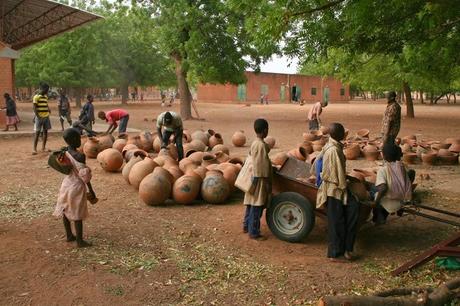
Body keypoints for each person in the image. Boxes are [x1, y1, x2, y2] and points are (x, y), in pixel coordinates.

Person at [313, 123, 359, 261]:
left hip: (335, 187)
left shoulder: (332, 145)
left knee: (345, 216)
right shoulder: (333, 150)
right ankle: (336, 254)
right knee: (336, 222)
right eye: (343, 133)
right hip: (334, 190)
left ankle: (346, 249)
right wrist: (346, 186)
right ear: (339, 135)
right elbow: (336, 176)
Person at [53, 128, 97, 247]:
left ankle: (69, 235)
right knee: (78, 213)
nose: (80, 140)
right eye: (78, 138)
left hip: (66, 184)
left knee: (65, 210)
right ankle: (80, 241)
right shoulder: (80, 155)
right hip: (76, 186)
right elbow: (85, 176)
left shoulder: (64, 152)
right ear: (72, 140)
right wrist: (91, 191)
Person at [243, 118, 272, 240]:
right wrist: (267, 181)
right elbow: (261, 166)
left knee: (251, 203)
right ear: (265, 131)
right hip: (259, 179)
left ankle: (246, 226)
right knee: (257, 205)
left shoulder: (256, 143)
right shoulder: (260, 145)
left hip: (252, 177)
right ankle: (253, 232)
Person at [372, 142, 415, 225]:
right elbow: (411, 173)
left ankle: (379, 216)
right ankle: (395, 211)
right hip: (402, 200)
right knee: (382, 190)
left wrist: (375, 202)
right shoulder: (403, 166)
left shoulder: (383, 170)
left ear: (384, 156)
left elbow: (383, 188)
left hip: (390, 203)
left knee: (373, 192)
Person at [32, 83, 52, 154]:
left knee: (45, 132)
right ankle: (34, 149)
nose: (47, 91)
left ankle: (43, 147)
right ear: (42, 89)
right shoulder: (36, 97)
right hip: (39, 117)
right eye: (47, 90)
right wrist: (37, 116)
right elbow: (34, 107)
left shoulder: (45, 97)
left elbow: (46, 104)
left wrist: (48, 109)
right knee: (37, 133)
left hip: (46, 116)